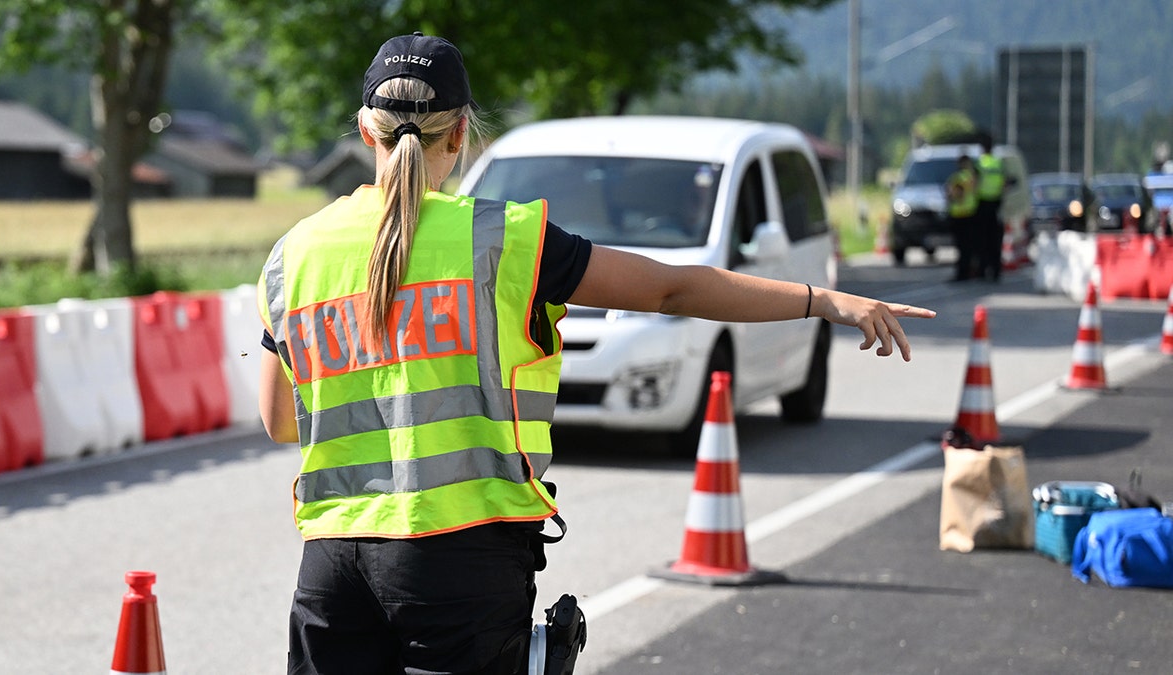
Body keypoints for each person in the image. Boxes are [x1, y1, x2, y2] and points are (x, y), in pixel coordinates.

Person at [257, 32, 936, 675]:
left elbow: (281, 421)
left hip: (333, 562)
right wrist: (824, 300)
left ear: (364, 126)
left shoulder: (293, 254)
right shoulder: (503, 240)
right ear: (462, 133)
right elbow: (672, 288)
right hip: (460, 559)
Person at [975, 136, 1006, 281]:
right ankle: (996, 271)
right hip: (996, 205)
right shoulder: (998, 162)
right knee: (996, 241)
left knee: (982, 241)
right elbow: (1004, 182)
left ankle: (982, 270)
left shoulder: (979, 163)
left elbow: (973, 183)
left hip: (982, 204)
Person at [946, 154, 980, 282]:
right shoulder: (973, 177)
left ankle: (962, 273)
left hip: (959, 215)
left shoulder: (957, 178)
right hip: (971, 214)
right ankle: (971, 271)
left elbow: (954, 194)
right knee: (970, 246)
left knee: (961, 247)